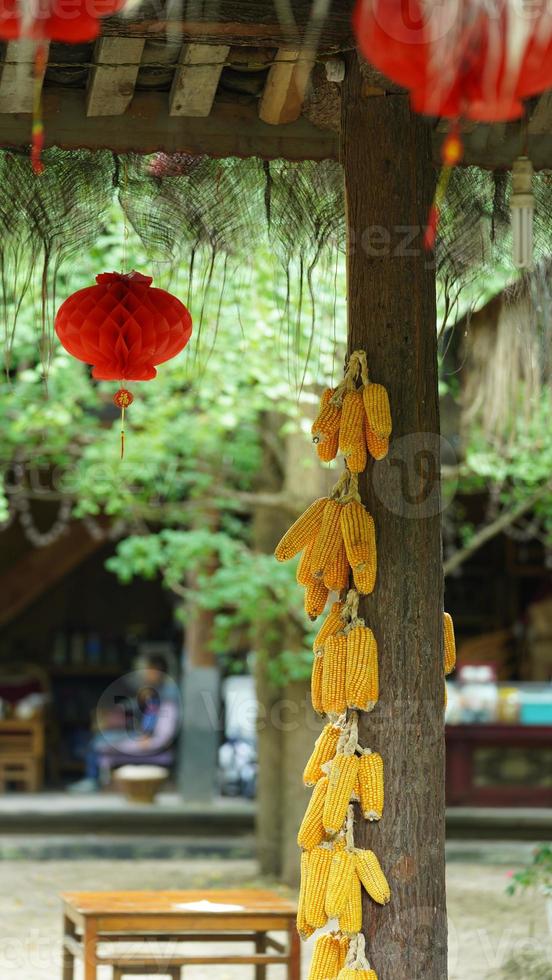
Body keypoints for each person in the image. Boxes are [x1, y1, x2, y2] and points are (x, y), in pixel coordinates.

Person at [69, 654, 180, 793]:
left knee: (97, 742)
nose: (144, 673)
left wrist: (147, 735)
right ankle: (92, 779)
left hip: (148, 738)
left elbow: (161, 719)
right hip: (142, 734)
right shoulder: (156, 689)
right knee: (96, 738)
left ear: (155, 670)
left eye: (147, 669)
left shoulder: (166, 692)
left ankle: (92, 780)